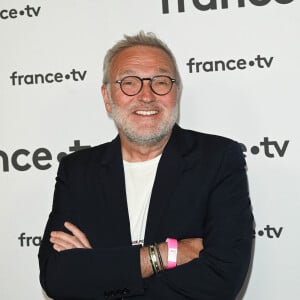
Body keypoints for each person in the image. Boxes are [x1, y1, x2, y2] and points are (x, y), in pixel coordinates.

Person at [38, 31, 254, 300]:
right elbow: (57, 277)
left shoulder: (218, 159)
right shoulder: (78, 170)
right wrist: (164, 254)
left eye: (160, 82)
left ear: (176, 92)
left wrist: (99, 272)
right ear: (107, 97)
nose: (147, 95)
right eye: (129, 83)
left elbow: (221, 279)